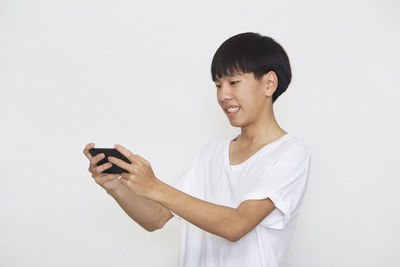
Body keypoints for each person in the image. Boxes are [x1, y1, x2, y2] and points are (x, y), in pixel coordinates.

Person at [83, 32, 311, 267]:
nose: (223, 95)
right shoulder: (211, 153)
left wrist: (154, 186)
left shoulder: (290, 153)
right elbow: (157, 218)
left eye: (233, 82)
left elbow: (237, 225)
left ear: (269, 83)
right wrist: (115, 186)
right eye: (218, 85)